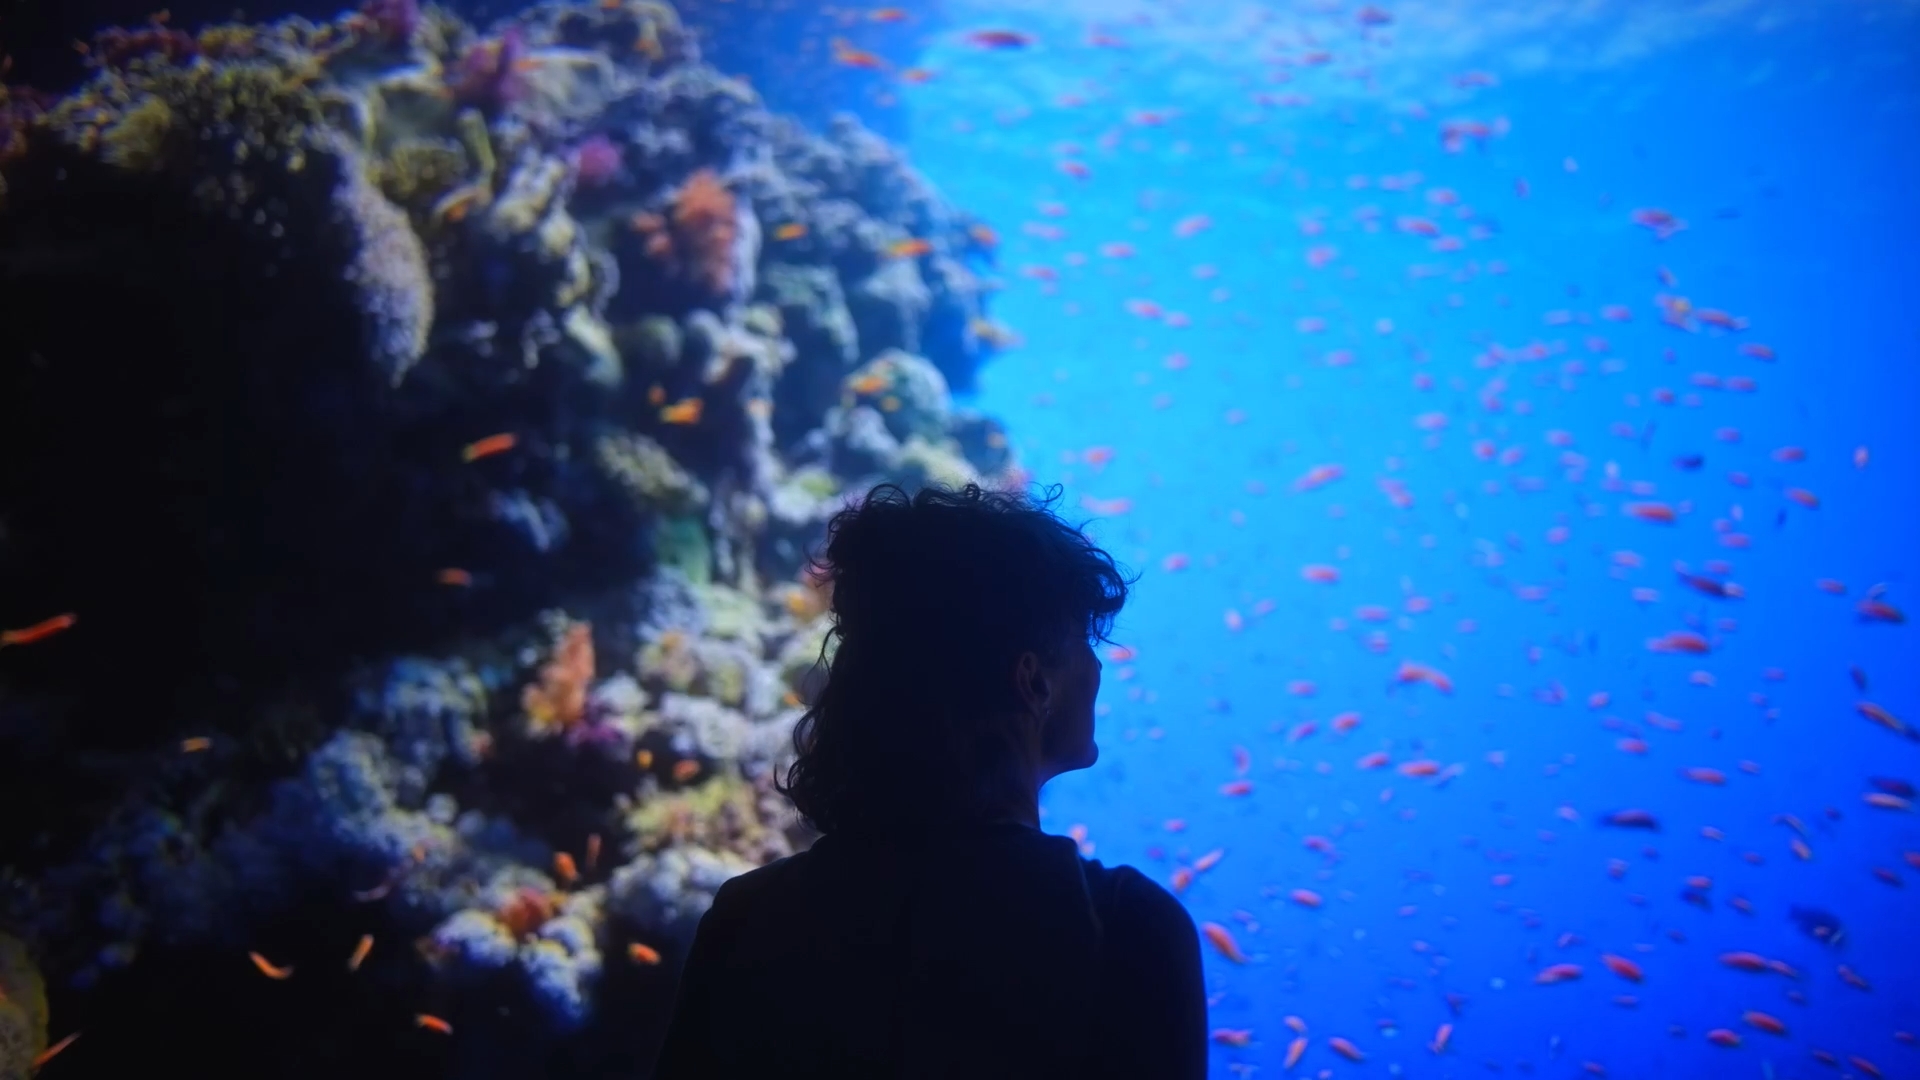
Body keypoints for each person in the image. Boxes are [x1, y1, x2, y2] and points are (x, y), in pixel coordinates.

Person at [653, 482, 1207, 1079]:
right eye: (1083, 642)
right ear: (1032, 681)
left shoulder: (748, 920)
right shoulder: (1129, 929)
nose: (1097, 665)